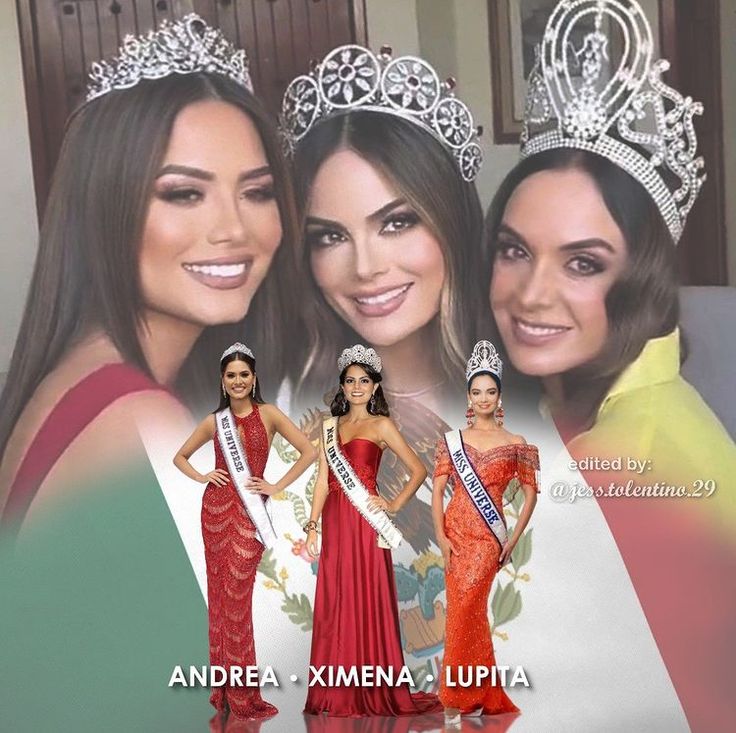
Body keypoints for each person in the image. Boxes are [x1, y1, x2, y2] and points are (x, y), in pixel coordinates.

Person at [485, 1, 736, 729]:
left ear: (641, 280)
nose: (532, 294)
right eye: (514, 249)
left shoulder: (619, 465)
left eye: (583, 263)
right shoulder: (607, 404)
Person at [0, 14, 297, 538]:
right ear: (104, 209)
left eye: (257, 192)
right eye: (183, 194)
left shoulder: (81, 380)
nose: (234, 229)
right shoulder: (140, 424)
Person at [280, 44, 485, 416]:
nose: (364, 268)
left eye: (396, 223)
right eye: (330, 236)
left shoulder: (536, 394)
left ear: (453, 222)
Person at [173, 342, 317, 720]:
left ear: (254, 378)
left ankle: (242, 694)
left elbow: (309, 451)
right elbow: (180, 456)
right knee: (220, 603)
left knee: (237, 602)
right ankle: (224, 692)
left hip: (248, 517)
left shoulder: (268, 414)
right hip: (215, 513)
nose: (238, 381)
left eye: (244, 374)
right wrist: (203, 475)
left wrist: (275, 485)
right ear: (222, 381)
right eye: (231, 375)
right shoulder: (212, 421)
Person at [302, 344, 442, 717]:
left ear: (375, 386)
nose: (357, 387)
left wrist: (394, 506)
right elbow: (321, 481)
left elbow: (418, 469)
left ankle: (372, 691)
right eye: (350, 381)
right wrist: (313, 526)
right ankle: (337, 692)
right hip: (335, 521)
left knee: (366, 595)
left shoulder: (382, 425)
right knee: (336, 598)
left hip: (367, 524)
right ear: (342, 387)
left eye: (364, 381)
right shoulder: (330, 428)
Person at [432, 341, 539, 726]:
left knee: (463, 611)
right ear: (468, 397)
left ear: (499, 396)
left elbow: (530, 496)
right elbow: (439, 492)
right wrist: (441, 536)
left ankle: (452, 698)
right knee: (469, 614)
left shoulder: (516, 444)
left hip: (487, 539)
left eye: (489, 391)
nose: (482, 398)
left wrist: (511, 539)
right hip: (455, 531)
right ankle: (479, 691)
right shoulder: (452, 441)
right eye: (476, 392)